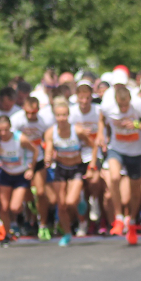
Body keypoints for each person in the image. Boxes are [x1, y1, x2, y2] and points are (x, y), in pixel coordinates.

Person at [99, 84, 141, 246]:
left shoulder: (139, 105)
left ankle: (132, 220)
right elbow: (101, 118)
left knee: (134, 191)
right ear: (116, 101)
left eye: (126, 105)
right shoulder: (107, 107)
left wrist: (136, 125)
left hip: (135, 151)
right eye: (121, 105)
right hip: (116, 148)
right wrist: (101, 134)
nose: (124, 108)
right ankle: (118, 217)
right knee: (114, 177)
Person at [45, 98, 93, 247]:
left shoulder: (77, 131)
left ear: (68, 115)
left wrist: (91, 165)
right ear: (55, 116)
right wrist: (48, 158)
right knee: (62, 204)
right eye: (59, 115)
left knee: (71, 201)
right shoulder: (51, 132)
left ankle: (80, 201)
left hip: (76, 168)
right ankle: (67, 233)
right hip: (60, 168)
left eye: (64, 115)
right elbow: (49, 148)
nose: (62, 118)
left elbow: (93, 145)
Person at [0, 115, 38, 244]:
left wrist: (31, 169)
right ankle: (8, 233)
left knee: (14, 207)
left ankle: (23, 215)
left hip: (20, 174)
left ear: (10, 128)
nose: (3, 133)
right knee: (3, 207)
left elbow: (35, 150)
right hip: (6, 173)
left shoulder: (20, 138)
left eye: (5, 130)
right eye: (0, 130)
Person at [11, 97, 54, 240]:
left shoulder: (44, 121)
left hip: (38, 159)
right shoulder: (16, 120)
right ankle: (30, 213)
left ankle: (43, 224)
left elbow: (48, 139)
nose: (30, 116)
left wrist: (48, 155)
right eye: (28, 113)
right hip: (22, 160)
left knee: (41, 192)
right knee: (27, 194)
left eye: (33, 113)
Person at [69, 80, 102, 236]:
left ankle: (94, 200)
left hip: (94, 152)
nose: (84, 101)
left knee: (94, 180)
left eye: (87, 98)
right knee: (79, 192)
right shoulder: (72, 113)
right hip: (77, 154)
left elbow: (105, 129)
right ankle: (83, 223)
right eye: (81, 98)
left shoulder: (98, 111)